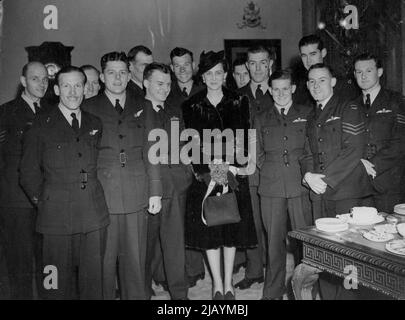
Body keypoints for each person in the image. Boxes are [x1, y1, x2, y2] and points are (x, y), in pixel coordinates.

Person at [19, 66, 109, 299]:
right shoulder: (39, 125)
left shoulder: (95, 122)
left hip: (93, 215)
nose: (73, 92)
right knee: (56, 285)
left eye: (78, 85)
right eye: (66, 86)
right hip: (55, 219)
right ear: (57, 89)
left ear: (85, 88)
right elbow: (28, 174)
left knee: (93, 285)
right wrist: (47, 202)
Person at [82, 52, 162, 300]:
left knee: (136, 265)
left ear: (129, 75)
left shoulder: (144, 105)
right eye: (111, 72)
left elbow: (153, 152)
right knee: (103, 266)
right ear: (102, 76)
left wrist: (155, 191)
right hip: (102, 196)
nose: (117, 77)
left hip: (137, 195)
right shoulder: (88, 107)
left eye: (122, 72)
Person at [182, 50, 257, 300]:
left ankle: (228, 283)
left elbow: (244, 139)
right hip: (205, 177)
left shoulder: (239, 101)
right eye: (208, 73)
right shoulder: (190, 105)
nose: (214, 78)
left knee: (231, 230)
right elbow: (191, 145)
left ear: (225, 74)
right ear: (202, 76)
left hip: (234, 174)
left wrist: (232, 168)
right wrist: (212, 172)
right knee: (212, 231)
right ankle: (216, 284)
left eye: (218, 73)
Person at [254, 70, 312, 300]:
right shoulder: (261, 118)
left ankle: (304, 289)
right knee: (273, 242)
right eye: (275, 89)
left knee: (304, 241)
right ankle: (273, 291)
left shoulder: (306, 113)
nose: (280, 93)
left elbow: (310, 149)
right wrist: (271, 169)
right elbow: (256, 153)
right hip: (271, 187)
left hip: (300, 185)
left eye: (285, 88)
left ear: (293, 89)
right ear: (270, 90)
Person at [0, 61, 51, 299]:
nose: (41, 83)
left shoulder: (51, 111)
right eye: (35, 78)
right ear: (23, 82)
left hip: (46, 199)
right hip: (16, 201)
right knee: (19, 263)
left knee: (47, 261)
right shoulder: (6, 112)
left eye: (45, 79)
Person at [143, 62, 193, 300]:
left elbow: (184, 146)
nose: (164, 88)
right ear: (145, 83)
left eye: (168, 84)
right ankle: (142, 289)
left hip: (175, 186)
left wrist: (185, 175)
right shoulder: (136, 112)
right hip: (146, 191)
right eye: (159, 84)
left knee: (175, 244)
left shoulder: (175, 111)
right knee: (146, 247)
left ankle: (179, 295)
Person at [300, 63, 372, 220]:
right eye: (312, 81)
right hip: (318, 192)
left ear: (333, 82)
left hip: (346, 192)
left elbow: (354, 149)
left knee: (346, 242)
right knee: (321, 242)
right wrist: (308, 176)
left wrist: (323, 179)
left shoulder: (348, 108)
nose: (316, 86)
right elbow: (307, 153)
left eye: (322, 80)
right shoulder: (311, 116)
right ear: (307, 85)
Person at [235, 45, 274, 290]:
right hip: (246, 169)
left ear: (270, 64)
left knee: (274, 222)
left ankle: (274, 268)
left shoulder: (281, 91)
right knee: (251, 221)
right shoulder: (236, 96)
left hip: (273, 169)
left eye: (262, 62)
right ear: (247, 65)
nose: (257, 68)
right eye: (252, 63)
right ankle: (254, 270)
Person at [166, 47, 205, 288]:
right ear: (171, 68)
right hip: (179, 165)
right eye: (177, 65)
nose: (182, 69)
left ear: (194, 66)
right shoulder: (165, 92)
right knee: (180, 218)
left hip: (205, 163)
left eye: (186, 64)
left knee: (203, 216)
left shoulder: (205, 91)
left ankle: (199, 267)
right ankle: (186, 269)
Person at [353, 53, 405, 212]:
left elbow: (401, 142)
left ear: (380, 72)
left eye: (368, 71)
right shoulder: (351, 106)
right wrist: (359, 164)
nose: (363, 76)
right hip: (360, 184)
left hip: (390, 184)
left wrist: (373, 166)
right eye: (358, 72)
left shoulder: (396, 101)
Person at [295, 34, 360, 105]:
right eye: (304, 56)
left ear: (323, 53)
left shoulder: (341, 83)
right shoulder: (299, 86)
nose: (308, 60)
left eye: (313, 54)